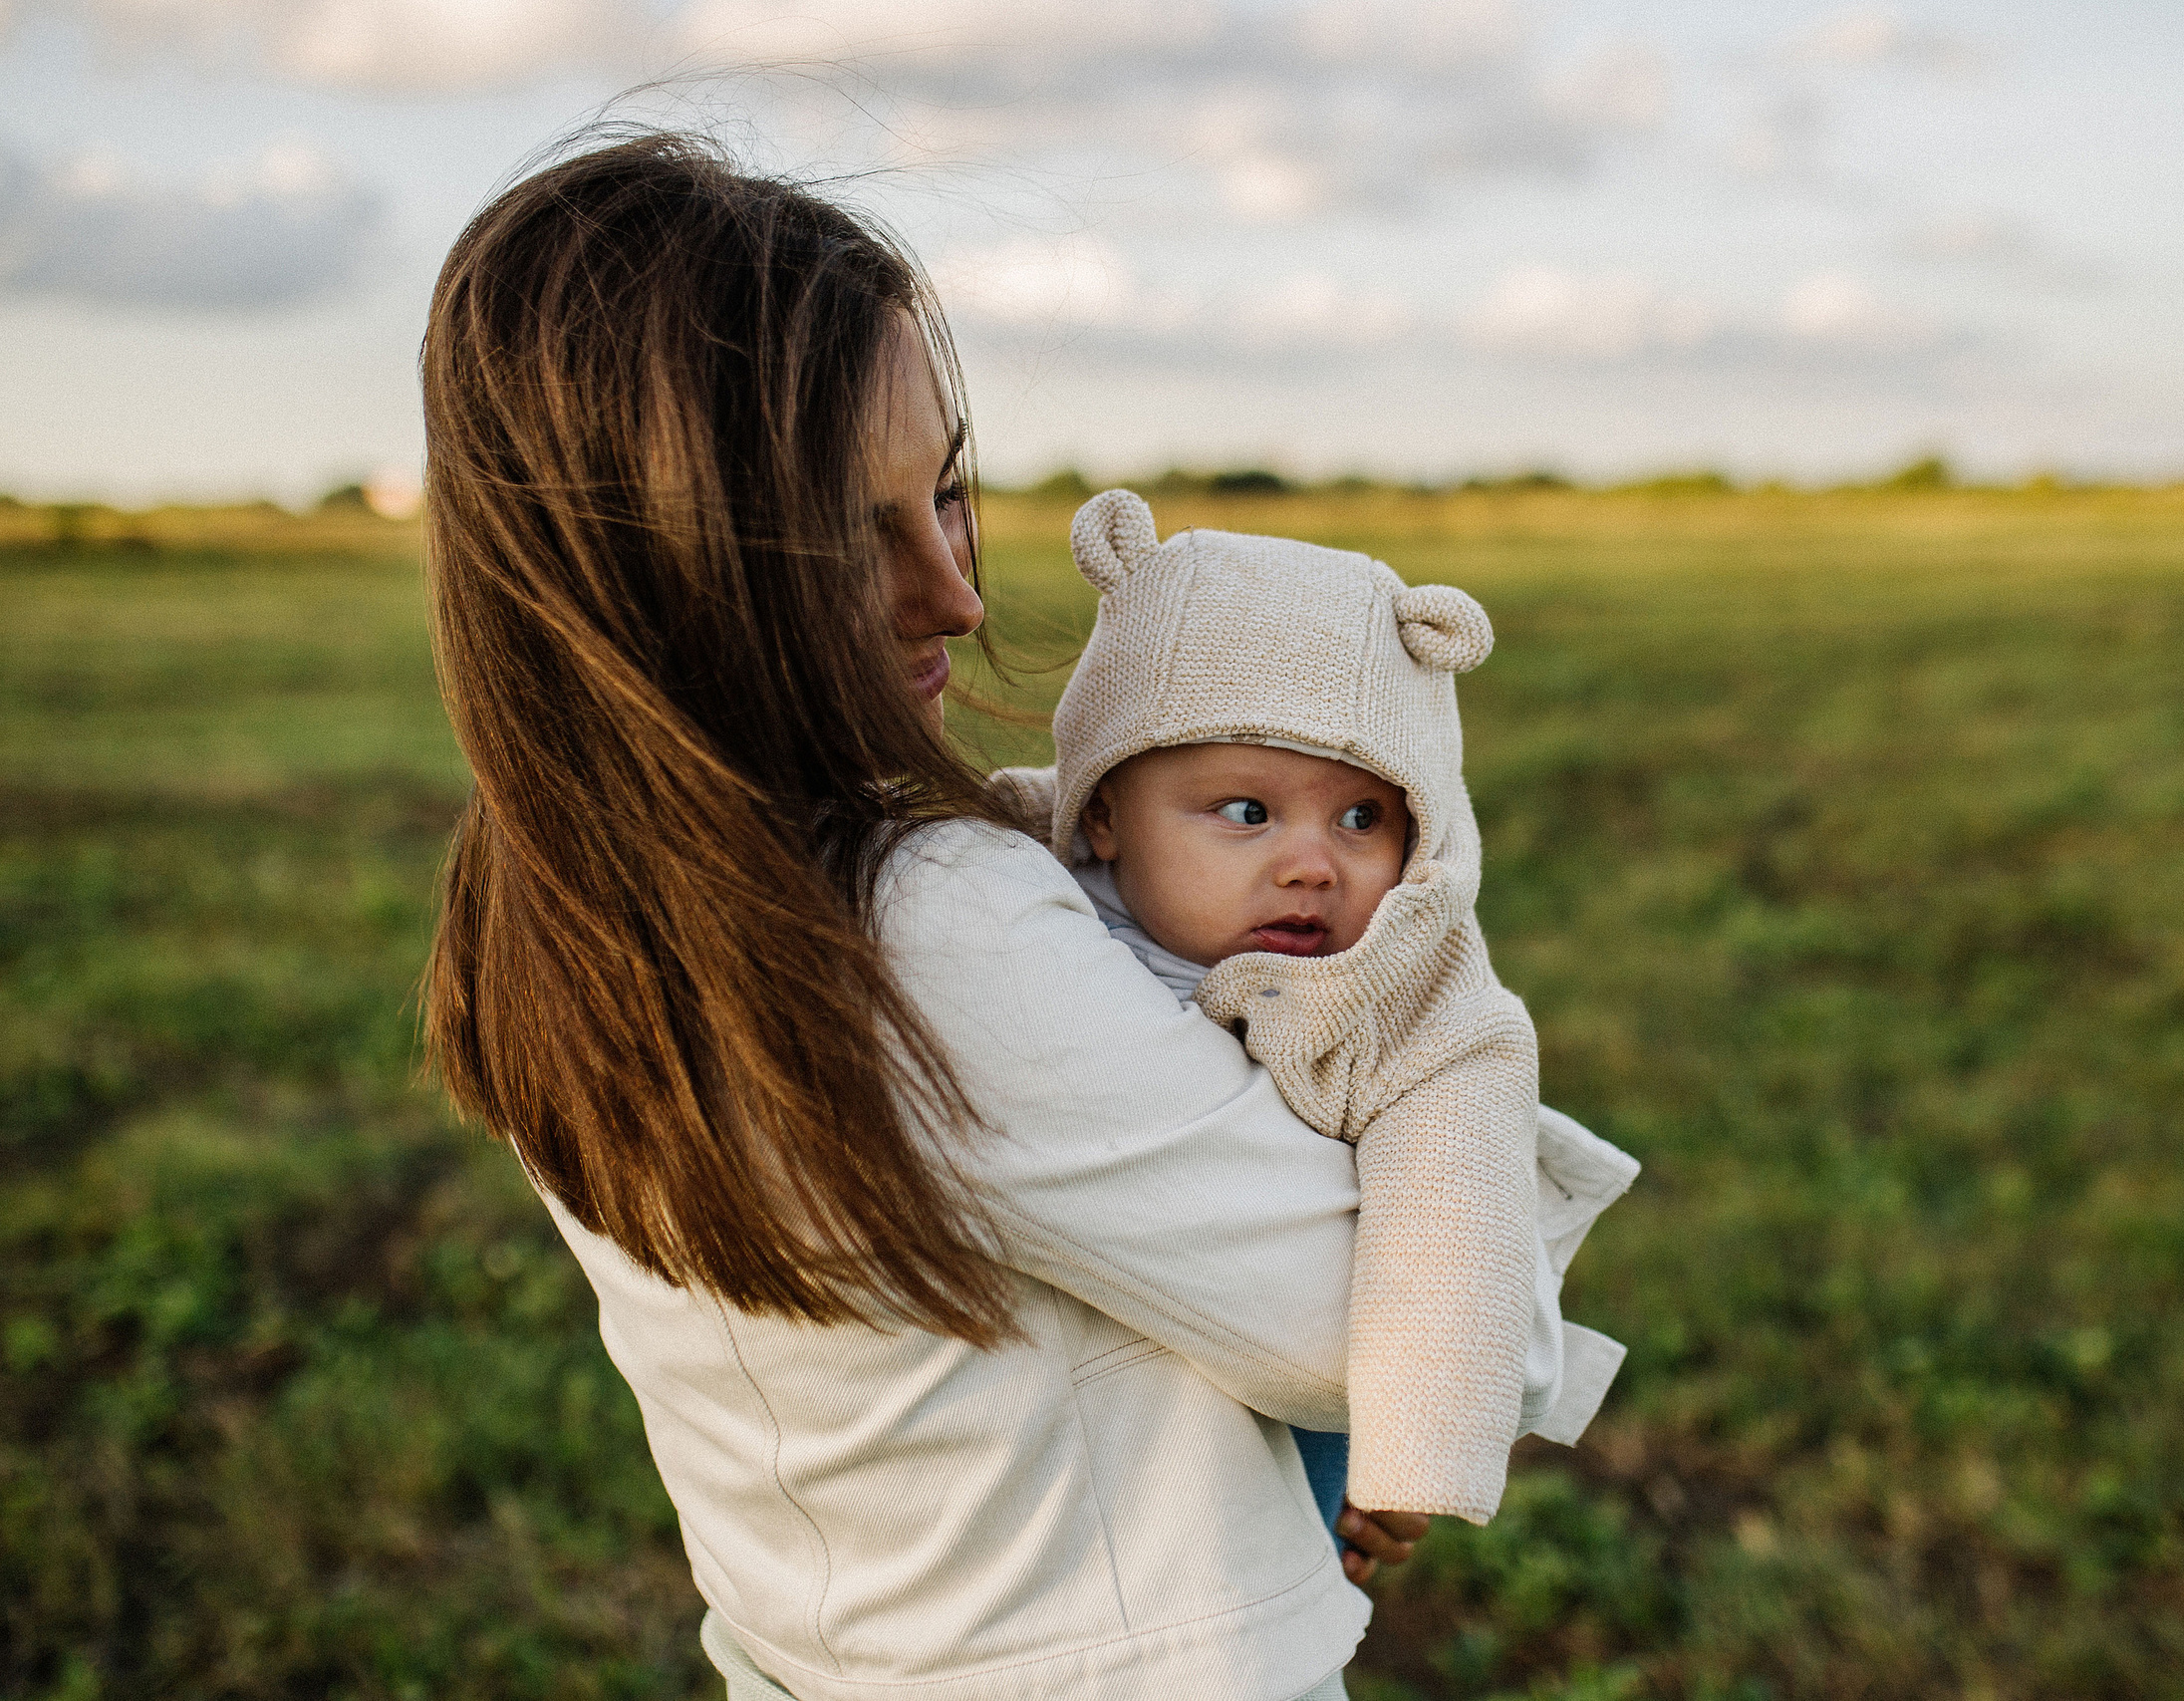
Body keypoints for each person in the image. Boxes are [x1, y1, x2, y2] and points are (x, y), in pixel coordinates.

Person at [416, 133, 1511, 1701]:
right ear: (650, 567)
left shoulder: (549, 883)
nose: (954, 594)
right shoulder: (925, 919)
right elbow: (1366, 1325)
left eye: (946, 494)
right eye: (844, 536)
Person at [987, 491, 1637, 1540]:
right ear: (1100, 810)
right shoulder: (1015, 887)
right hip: (1073, 1382)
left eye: (1361, 817)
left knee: (1275, 1525)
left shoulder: (1413, 1000)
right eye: (1246, 812)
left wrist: (1411, 1458)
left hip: (1310, 1390)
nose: (1311, 864)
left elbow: (1451, 1223)